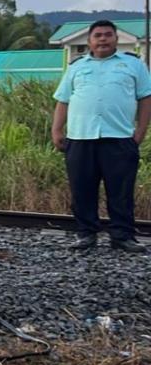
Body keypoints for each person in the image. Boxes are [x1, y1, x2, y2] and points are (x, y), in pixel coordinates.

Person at [51, 20, 151, 252]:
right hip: (80, 138)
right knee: (82, 189)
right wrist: (56, 130)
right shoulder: (76, 67)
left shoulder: (133, 65)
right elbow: (63, 99)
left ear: (117, 39)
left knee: (121, 191)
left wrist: (141, 131)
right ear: (90, 41)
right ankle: (86, 235)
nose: (103, 39)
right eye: (98, 35)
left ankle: (122, 236)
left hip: (119, 138)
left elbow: (145, 98)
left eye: (108, 35)